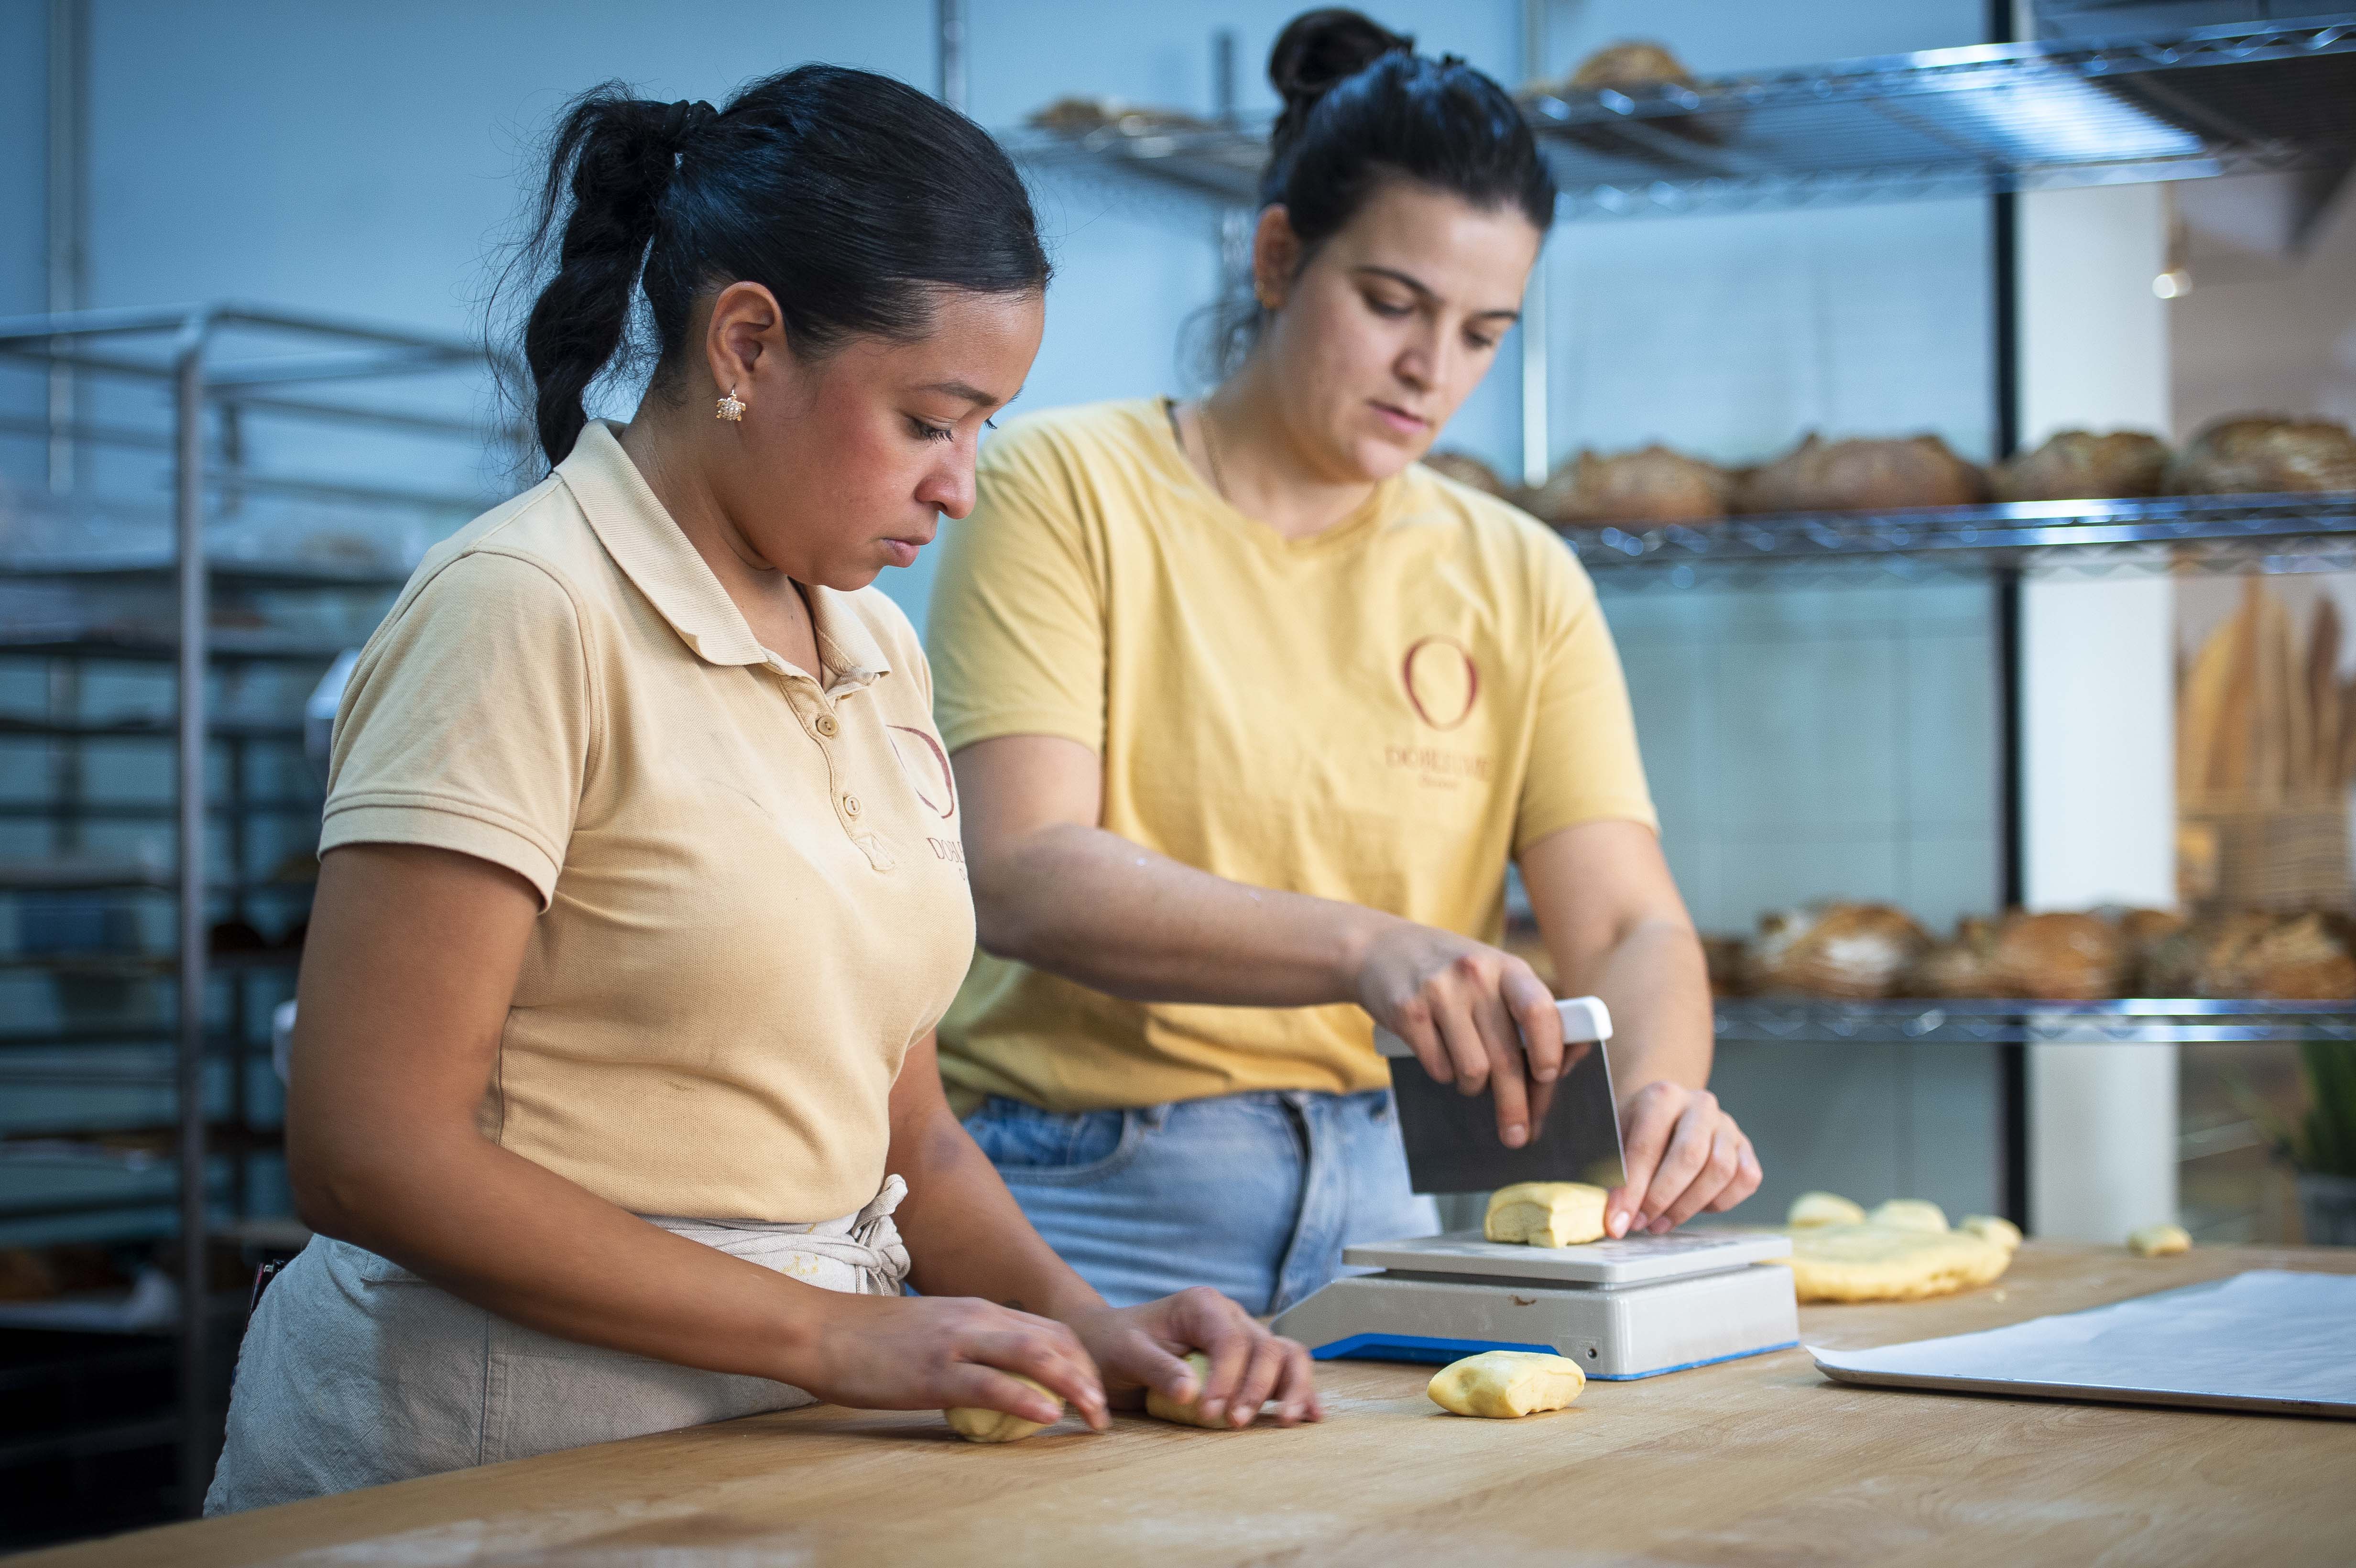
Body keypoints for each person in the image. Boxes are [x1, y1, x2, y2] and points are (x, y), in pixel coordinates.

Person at [208, 65, 1315, 1516]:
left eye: (987, 426)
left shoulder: (871, 647)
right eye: (931, 420)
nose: (962, 485)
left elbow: (903, 1132)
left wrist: (1081, 1325)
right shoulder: (522, 609)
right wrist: (842, 1333)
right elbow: (368, 1150)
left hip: (769, 1443)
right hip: (487, 1443)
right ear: (746, 343)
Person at [927, 10, 1762, 1316]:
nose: (1433, 370)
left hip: (1408, 1206)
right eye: (1391, 305)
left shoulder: (1519, 572)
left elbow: (1627, 923)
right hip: (1092, 1200)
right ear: (1277, 258)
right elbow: (1023, 867)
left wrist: (1663, 1092)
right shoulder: (1063, 486)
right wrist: (1365, 950)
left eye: (1484, 332)